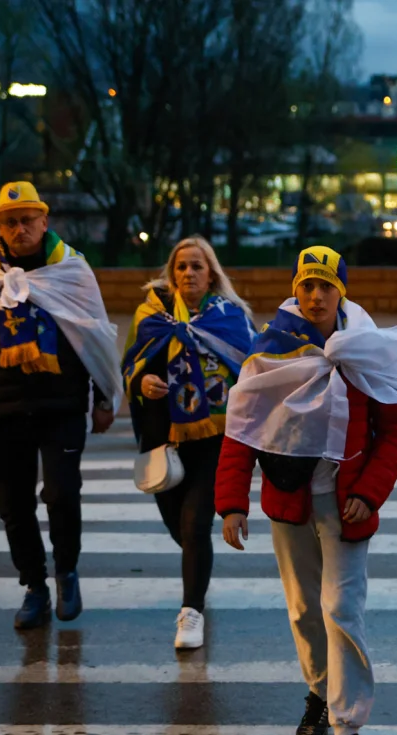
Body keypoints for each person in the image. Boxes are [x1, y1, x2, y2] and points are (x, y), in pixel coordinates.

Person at [214, 246, 397, 735]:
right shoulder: (271, 348)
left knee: (342, 610)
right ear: (296, 289)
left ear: (343, 292)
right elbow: (245, 424)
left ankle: (347, 732)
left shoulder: (366, 350)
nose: (316, 296)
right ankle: (318, 692)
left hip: (346, 505)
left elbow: (393, 431)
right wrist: (231, 503)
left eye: (326, 287)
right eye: (307, 285)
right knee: (303, 611)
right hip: (290, 503)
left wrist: (370, 491)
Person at [0, 182, 123, 630]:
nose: (19, 228)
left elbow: (94, 337)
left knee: (61, 493)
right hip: (4, 410)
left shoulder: (71, 270)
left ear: (44, 221)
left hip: (63, 407)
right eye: (9, 222)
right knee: (13, 505)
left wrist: (105, 397)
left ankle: (66, 571)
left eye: (27, 219)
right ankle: (34, 585)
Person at [122, 236, 255, 649]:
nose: (189, 273)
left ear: (211, 272)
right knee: (179, 526)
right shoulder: (152, 317)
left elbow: (252, 370)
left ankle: (190, 612)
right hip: (168, 439)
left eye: (197, 266)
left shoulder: (230, 317)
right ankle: (198, 569)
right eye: (181, 266)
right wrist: (142, 382)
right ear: (171, 273)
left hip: (217, 439)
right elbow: (132, 366)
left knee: (196, 523)